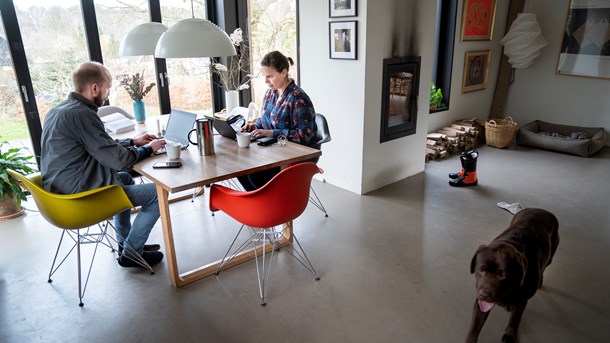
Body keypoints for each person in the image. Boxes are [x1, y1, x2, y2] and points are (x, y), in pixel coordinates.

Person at [40, 61, 166, 268]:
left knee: (124, 179)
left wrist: (132, 141)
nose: (108, 94)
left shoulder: (59, 110)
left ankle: (126, 243)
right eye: (107, 88)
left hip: (58, 191)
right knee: (158, 193)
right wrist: (148, 149)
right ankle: (132, 253)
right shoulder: (82, 114)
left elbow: (97, 146)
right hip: (78, 197)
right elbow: (119, 161)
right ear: (95, 88)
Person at [239, 51, 318, 190]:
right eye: (264, 76)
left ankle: (270, 204)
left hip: (291, 157)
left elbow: (304, 136)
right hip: (271, 152)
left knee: (254, 175)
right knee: (241, 168)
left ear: (284, 72)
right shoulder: (270, 93)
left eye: (270, 76)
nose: (266, 81)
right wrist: (254, 126)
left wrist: (271, 133)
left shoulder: (298, 98)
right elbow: (265, 120)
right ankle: (261, 205)